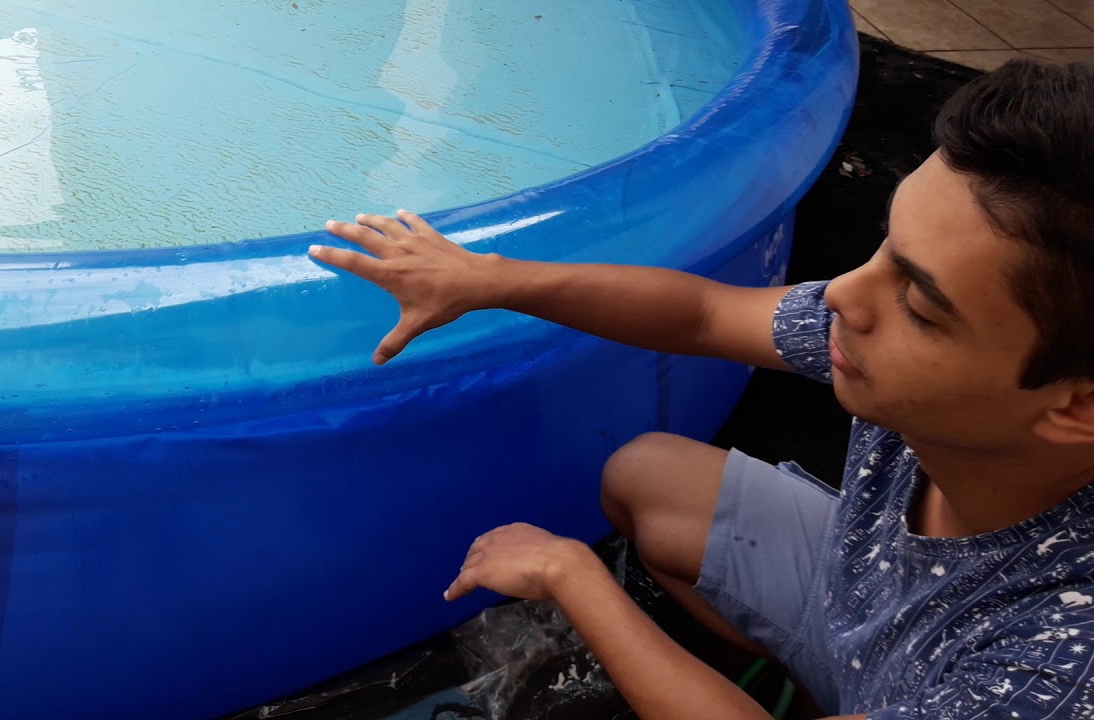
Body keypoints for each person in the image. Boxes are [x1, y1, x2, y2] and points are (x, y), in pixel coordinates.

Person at [308, 58, 1094, 719]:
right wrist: (487, 278)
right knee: (648, 475)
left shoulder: (1052, 670)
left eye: (919, 304)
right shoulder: (929, 360)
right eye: (883, 247)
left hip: (948, 676)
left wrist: (571, 577)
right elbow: (707, 313)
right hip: (871, 600)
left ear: (1077, 404)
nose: (848, 296)